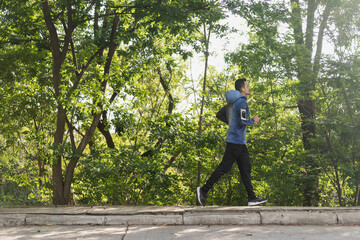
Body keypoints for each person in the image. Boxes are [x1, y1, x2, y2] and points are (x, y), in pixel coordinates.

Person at [197, 78, 268, 206]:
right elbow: (242, 122)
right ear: (242, 89)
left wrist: (232, 123)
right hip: (235, 142)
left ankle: (252, 197)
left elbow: (219, 114)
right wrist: (253, 121)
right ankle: (203, 190)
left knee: (245, 168)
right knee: (224, 167)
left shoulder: (233, 103)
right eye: (247, 86)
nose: (249, 88)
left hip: (239, 142)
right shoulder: (241, 103)